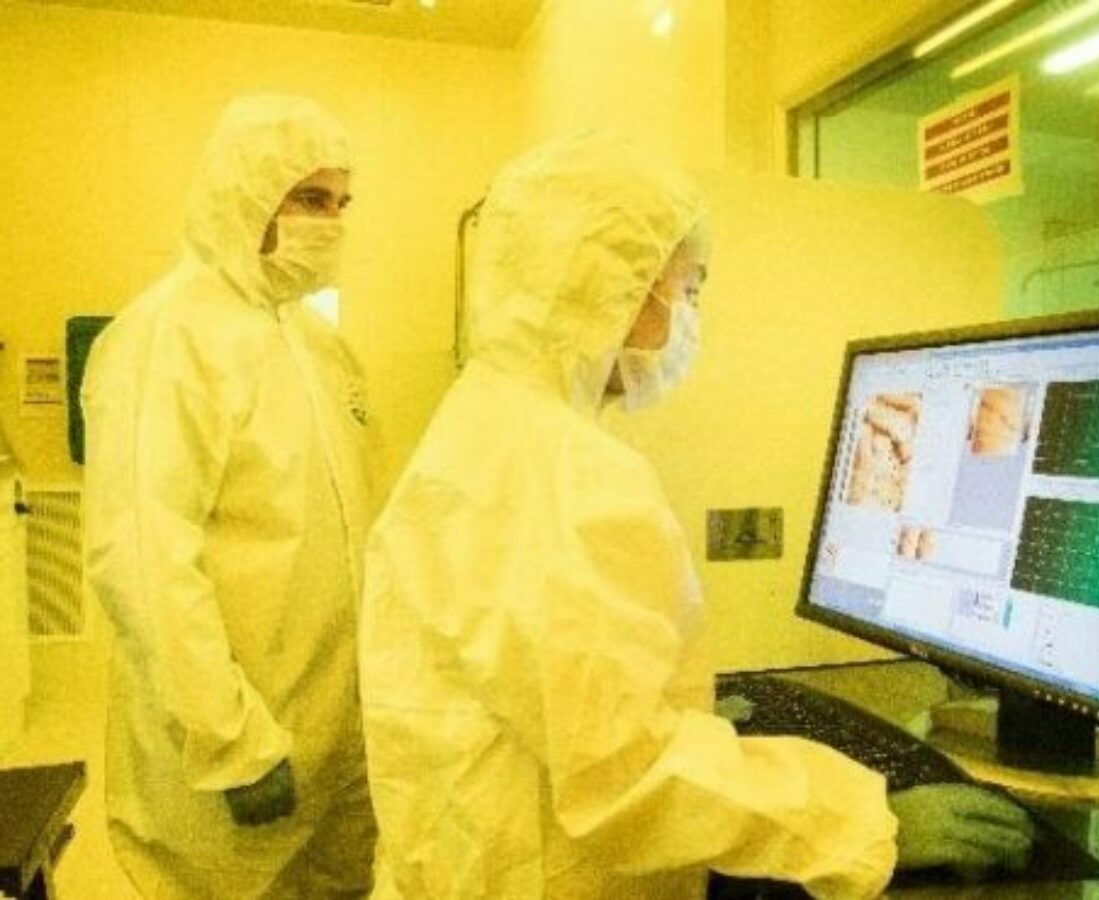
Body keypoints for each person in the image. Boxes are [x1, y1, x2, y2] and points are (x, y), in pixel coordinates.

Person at [359, 131, 1032, 899]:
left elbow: (568, 698)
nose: (690, 319)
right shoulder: (568, 476)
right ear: (614, 287)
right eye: (688, 290)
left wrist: (693, 715)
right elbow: (628, 778)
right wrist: (866, 825)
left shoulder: (489, 422)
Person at [83, 95, 377, 898]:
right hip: (233, 746)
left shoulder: (314, 343)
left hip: (336, 735)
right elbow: (144, 559)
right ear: (246, 192)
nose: (332, 222)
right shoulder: (167, 336)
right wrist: (228, 739)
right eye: (310, 198)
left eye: (342, 203)